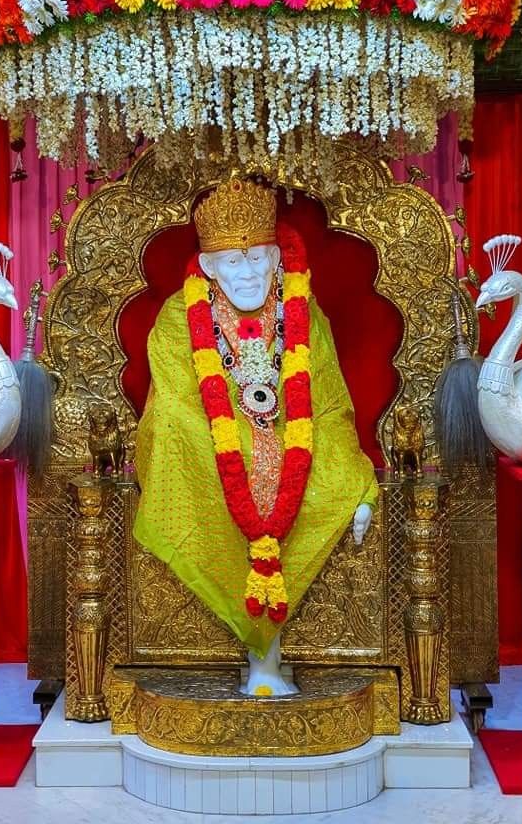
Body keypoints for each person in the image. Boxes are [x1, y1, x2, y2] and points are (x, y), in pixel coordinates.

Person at [135, 174, 377, 695]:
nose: (247, 274)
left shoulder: (301, 308)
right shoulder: (179, 316)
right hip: (210, 447)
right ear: (208, 267)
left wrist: (347, 474)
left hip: (296, 440)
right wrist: (242, 443)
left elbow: (327, 399)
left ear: (277, 259)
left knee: (328, 480)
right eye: (232, 262)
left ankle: (272, 658)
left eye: (257, 258)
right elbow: (175, 401)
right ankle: (253, 655)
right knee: (194, 450)